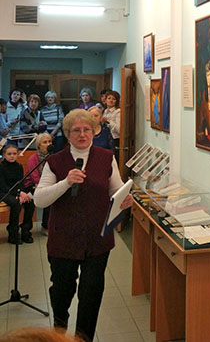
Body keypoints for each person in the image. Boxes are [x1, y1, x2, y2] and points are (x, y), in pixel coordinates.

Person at [34, 109, 133, 342]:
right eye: (76, 130)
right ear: (67, 134)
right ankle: (59, 333)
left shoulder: (106, 156)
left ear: (94, 131)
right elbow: (39, 200)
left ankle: (84, 338)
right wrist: (66, 183)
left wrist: (124, 199)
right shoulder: (55, 161)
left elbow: (115, 189)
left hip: (97, 239)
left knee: (91, 294)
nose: (82, 134)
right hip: (63, 239)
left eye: (87, 129)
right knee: (61, 292)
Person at [0, 144, 35, 244]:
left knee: (30, 201)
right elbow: (3, 186)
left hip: (16, 191)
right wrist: (18, 194)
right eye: (9, 154)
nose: (12, 156)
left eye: (14, 154)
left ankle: (26, 231)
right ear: (4, 155)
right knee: (16, 203)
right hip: (3, 192)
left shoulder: (19, 166)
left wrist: (22, 193)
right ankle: (13, 233)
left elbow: (21, 182)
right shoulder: (1, 167)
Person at [27, 132, 54, 231]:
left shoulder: (53, 157)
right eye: (45, 142)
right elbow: (34, 177)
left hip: (49, 185)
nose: (48, 144)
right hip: (33, 185)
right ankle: (29, 228)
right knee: (47, 195)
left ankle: (49, 225)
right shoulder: (33, 158)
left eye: (50, 141)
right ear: (39, 145)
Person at [102, 91, 121, 162]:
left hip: (114, 139)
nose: (111, 100)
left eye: (113, 99)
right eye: (109, 98)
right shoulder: (105, 111)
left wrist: (108, 121)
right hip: (106, 138)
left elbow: (118, 129)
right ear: (105, 100)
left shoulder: (118, 112)